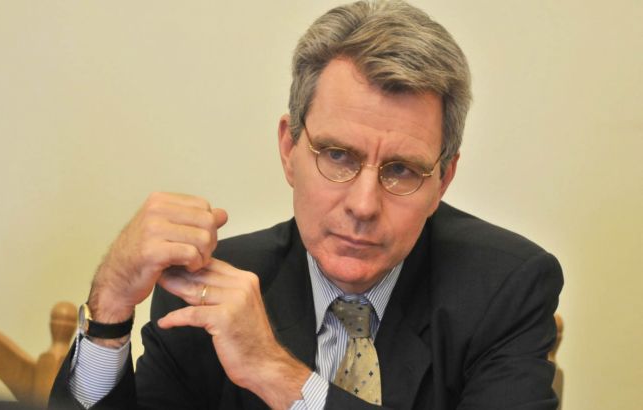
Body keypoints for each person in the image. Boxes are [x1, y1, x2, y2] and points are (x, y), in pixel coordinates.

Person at [49, 1, 563, 409]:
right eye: (338, 156)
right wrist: (109, 310)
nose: (364, 205)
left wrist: (277, 374)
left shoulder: (505, 289)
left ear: (443, 180)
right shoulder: (209, 290)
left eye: (401, 171)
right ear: (288, 149)